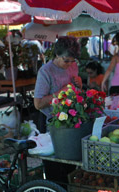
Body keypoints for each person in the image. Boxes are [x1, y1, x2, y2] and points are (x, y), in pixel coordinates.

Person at [34, 36, 82, 182]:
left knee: (71, 165)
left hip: (70, 119)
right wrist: (61, 92)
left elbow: (76, 88)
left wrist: (79, 83)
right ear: (56, 54)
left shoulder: (73, 65)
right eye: (66, 60)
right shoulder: (45, 72)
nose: (69, 64)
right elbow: (38, 104)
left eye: (72, 61)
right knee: (55, 166)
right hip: (51, 122)